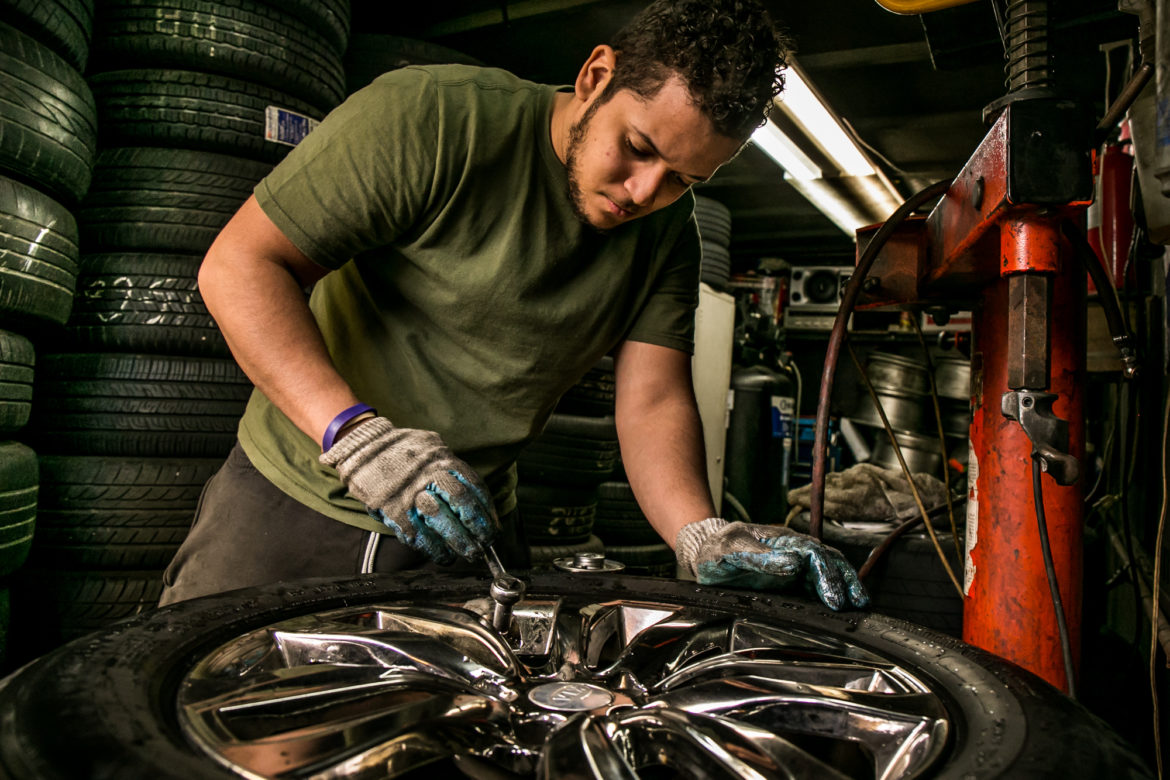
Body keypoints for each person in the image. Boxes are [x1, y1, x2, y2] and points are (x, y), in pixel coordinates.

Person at [159, 0, 868, 611]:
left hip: (470, 531)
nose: (645, 193)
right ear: (595, 77)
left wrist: (697, 531)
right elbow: (241, 265)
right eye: (637, 147)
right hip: (295, 500)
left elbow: (651, 400)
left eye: (683, 179)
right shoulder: (434, 118)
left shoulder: (667, 237)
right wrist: (355, 436)